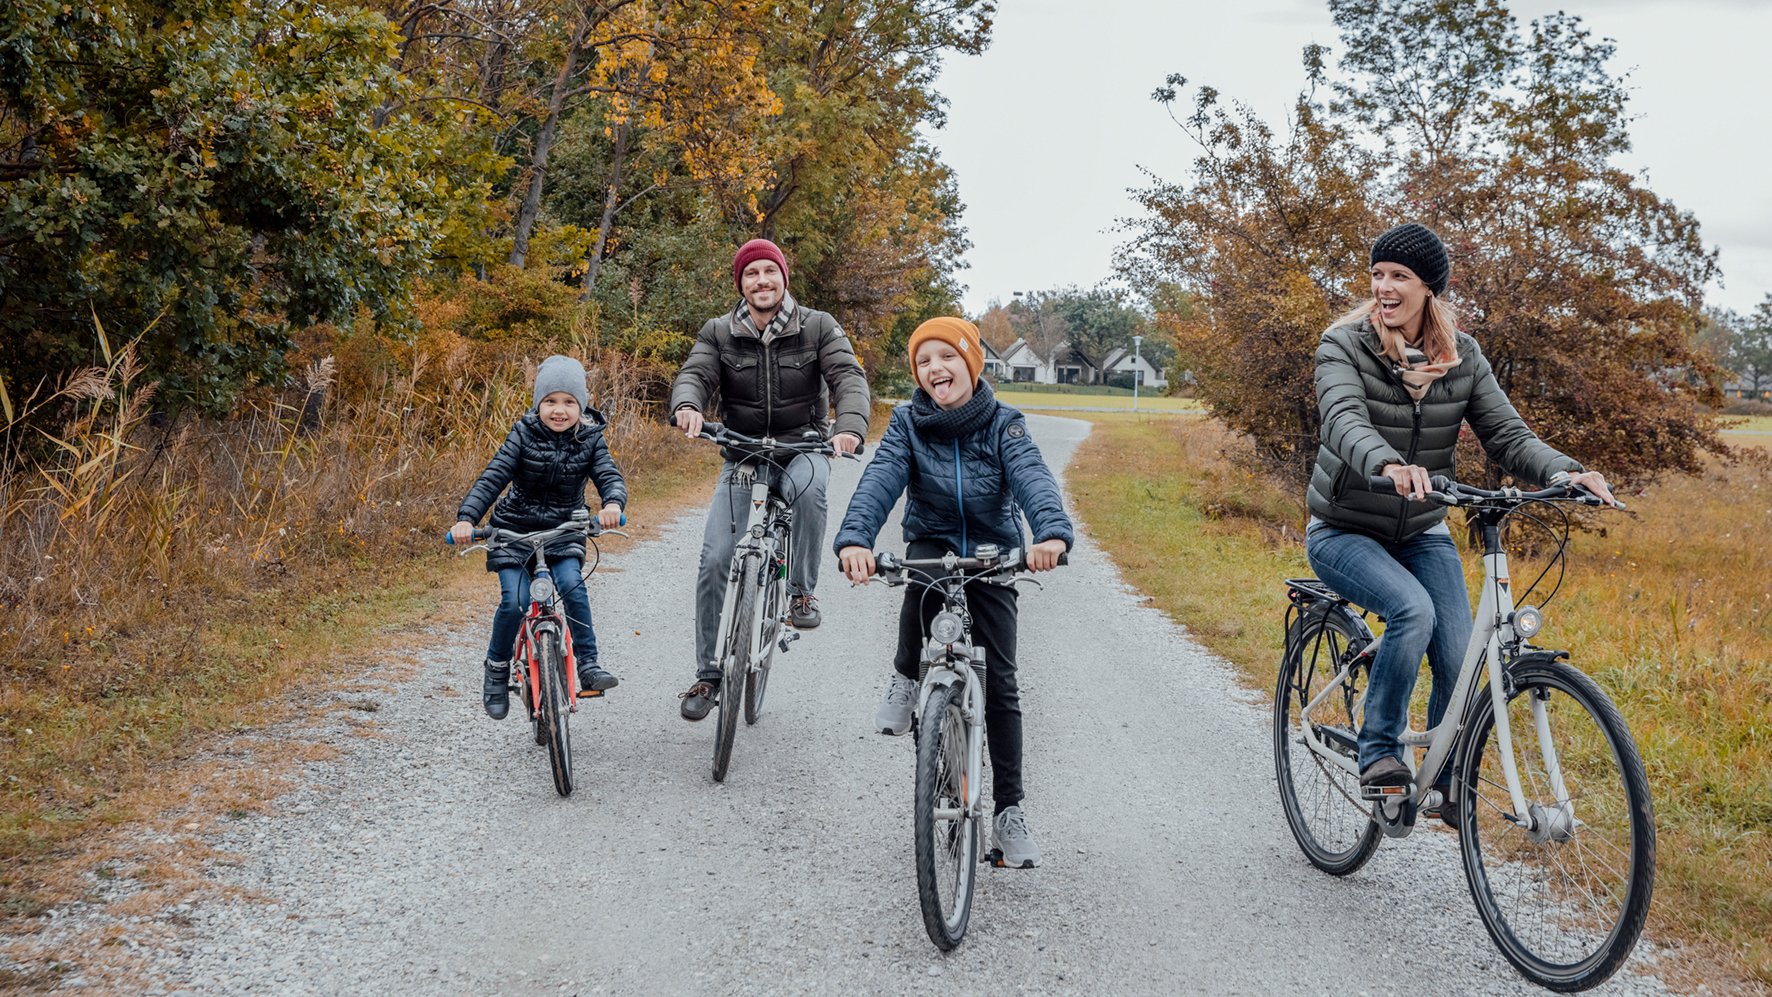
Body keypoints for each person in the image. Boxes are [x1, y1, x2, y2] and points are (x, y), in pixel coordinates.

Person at [1306, 222, 1617, 824]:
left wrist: (1568, 473)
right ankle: (1379, 755)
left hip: (1422, 528)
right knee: (1412, 612)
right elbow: (1343, 420)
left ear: (1430, 289)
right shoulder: (1342, 344)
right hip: (1344, 527)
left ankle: (1445, 776)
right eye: (1378, 275)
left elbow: (1507, 434)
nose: (1384, 288)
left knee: (1460, 653)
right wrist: (1388, 464)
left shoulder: (1462, 356)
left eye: (1399, 277)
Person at [833, 316, 1072, 869]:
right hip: (935, 538)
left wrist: (1051, 533)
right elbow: (880, 479)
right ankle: (905, 674)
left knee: (1003, 684)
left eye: (946, 357)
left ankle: (1009, 811)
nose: (935, 368)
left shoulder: (1004, 423)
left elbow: (1032, 477)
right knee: (917, 577)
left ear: (970, 363)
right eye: (924, 361)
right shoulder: (908, 424)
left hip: (992, 549)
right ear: (917, 375)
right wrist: (855, 540)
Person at [670, 238, 870, 721]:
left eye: (769, 271)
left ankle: (801, 591)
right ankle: (708, 674)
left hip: (802, 447)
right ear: (741, 283)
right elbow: (695, 373)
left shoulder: (818, 325)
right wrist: (687, 405)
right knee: (716, 557)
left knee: (811, 491)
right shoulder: (720, 331)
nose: (762, 281)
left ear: (784, 277)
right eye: (751, 274)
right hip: (742, 455)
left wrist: (849, 427)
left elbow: (848, 376)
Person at [452, 355, 628, 719]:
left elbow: (609, 475)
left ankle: (588, 664)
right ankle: (497, 671)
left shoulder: (591, 439)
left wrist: (612, 503)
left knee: (572, 586)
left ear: (581, 405)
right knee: (515, 602)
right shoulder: (522, 434)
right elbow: (493, 477)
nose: (559, 411)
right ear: (538, 405)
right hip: (513, 531)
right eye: (550, 401)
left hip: (564, 531)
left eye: (568, 402)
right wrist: (468, 519)